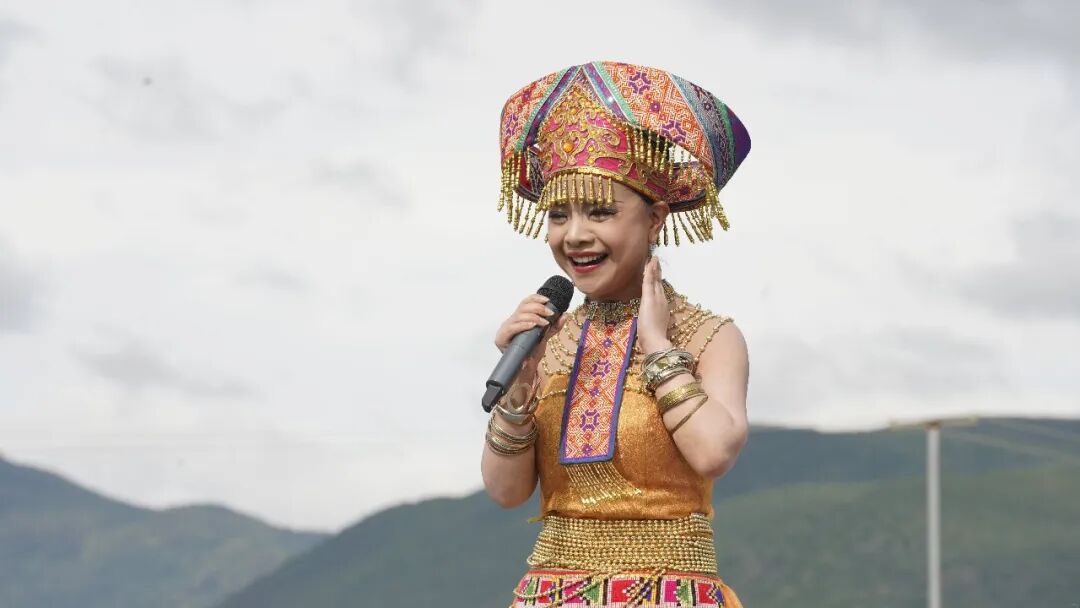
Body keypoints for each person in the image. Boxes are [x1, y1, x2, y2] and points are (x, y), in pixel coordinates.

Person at [482, 60, 752, 607]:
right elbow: (507, 492)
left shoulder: (709, 336)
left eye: (600, 212)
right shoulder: (548, 341)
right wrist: (521, 380)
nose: (575, 235)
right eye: (559, 216)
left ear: (654, 219)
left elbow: (713, 453)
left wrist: (658, 348)